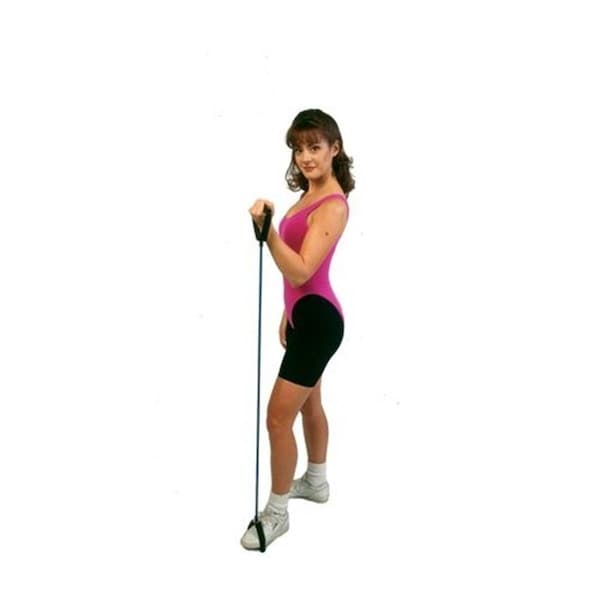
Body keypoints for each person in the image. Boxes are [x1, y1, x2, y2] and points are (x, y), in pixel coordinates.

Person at [242, 108, 355, 550]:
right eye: (299, 148)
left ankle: (276, 513)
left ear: (334, 149)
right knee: (310, 406)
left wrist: (267, 232)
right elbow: (300, 278)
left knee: (276, 418)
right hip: (306, 316)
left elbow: (303, 269)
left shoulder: (332, 205)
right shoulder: (309, 196)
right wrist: (288, 312)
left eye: (315, 147)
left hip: (320, 323)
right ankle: (316, 482)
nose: (306, 156)